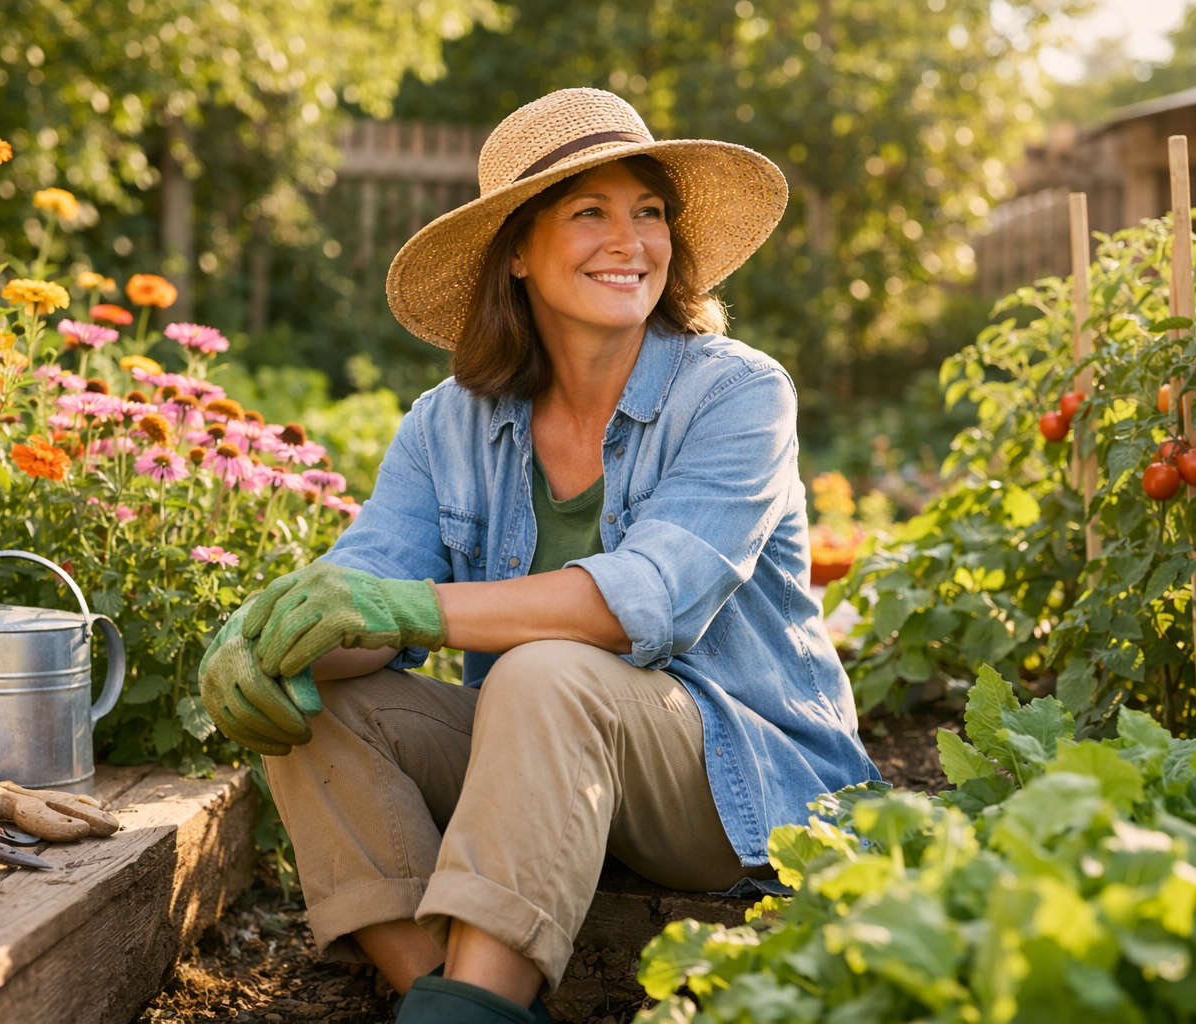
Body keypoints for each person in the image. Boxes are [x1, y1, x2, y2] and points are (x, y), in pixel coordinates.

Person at [200, 87, 880, 1024]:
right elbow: (364, 592)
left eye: (648, 212)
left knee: (544, 669)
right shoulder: (449, 423)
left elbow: (649, 599)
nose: (629, 240)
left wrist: (408, 610)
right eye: (589, 212)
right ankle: (450, 997)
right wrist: (272, 640)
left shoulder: (737, 394)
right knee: (321, 704)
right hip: (542, 780)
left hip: (734, 783)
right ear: (516, 250)